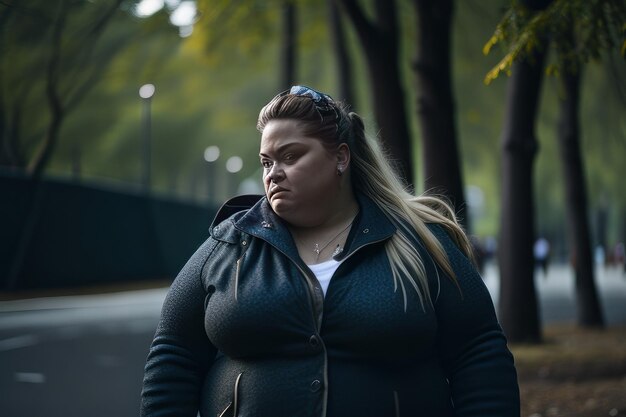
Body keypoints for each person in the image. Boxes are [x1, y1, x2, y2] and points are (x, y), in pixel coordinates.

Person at [140, 86, 520, 416]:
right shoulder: (229, 244)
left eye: (290, 157)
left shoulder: (418, 243)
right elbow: (173, 355)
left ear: (340, 157)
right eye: (266, 162)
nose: (274, 173)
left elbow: (479, 353)